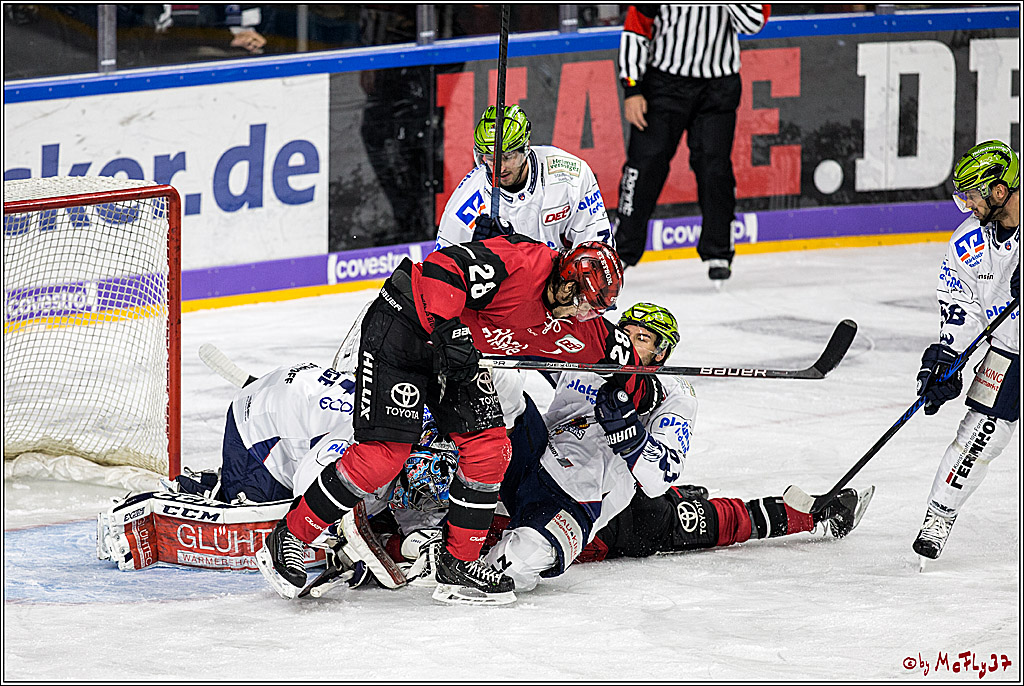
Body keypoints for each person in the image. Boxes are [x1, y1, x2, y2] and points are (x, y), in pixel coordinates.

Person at [255, 236, 657, 605]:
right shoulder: (523, 264)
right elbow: (440, 268)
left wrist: (646, 390)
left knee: (490, 450)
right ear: (568, 283)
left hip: (455, 361)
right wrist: (449, 329)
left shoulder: (579, 326)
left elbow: (622, 363)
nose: (587, 313)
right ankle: (290, 536)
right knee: (381, 458)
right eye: (586, 302)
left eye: (596, 308)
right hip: (406, 328)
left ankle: (457, 564)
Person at [402, 302, 874, 591]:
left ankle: (803, 513)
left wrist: (626, 426)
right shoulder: (591, 355)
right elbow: (528, 352)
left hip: (583, 499)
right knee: (497, 380)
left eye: (643, 339)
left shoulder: (676, 396)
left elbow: (652, 479)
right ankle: (401, 425)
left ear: (661, 355)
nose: (629, 341)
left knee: (525, 560)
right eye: (626, 331)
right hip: (532, 461)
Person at [912, 140, 1020, 566]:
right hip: (1009, 350)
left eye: (972, 195)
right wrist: (947, 359)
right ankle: (938, 515)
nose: (967, 205)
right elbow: (962, 306)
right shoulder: (968, 242)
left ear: (998, 191)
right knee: (979, 435)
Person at [613, 4, 769, 281]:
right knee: (644, 166)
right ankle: (622, 250)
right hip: (664, 83)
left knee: (714, 169)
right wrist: (632, 87)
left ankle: (719, 249)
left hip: (718, 87)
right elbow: (637, 27)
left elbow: (753, 22)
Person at [436, 105, 613, 250]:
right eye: (490, 158)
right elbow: (443, 271)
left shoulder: (571, 175)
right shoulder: (465, 202)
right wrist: (476, 257)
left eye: (508, 156)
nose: (499, 168)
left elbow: (599, 249)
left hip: (561, 286)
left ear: (526, 147)